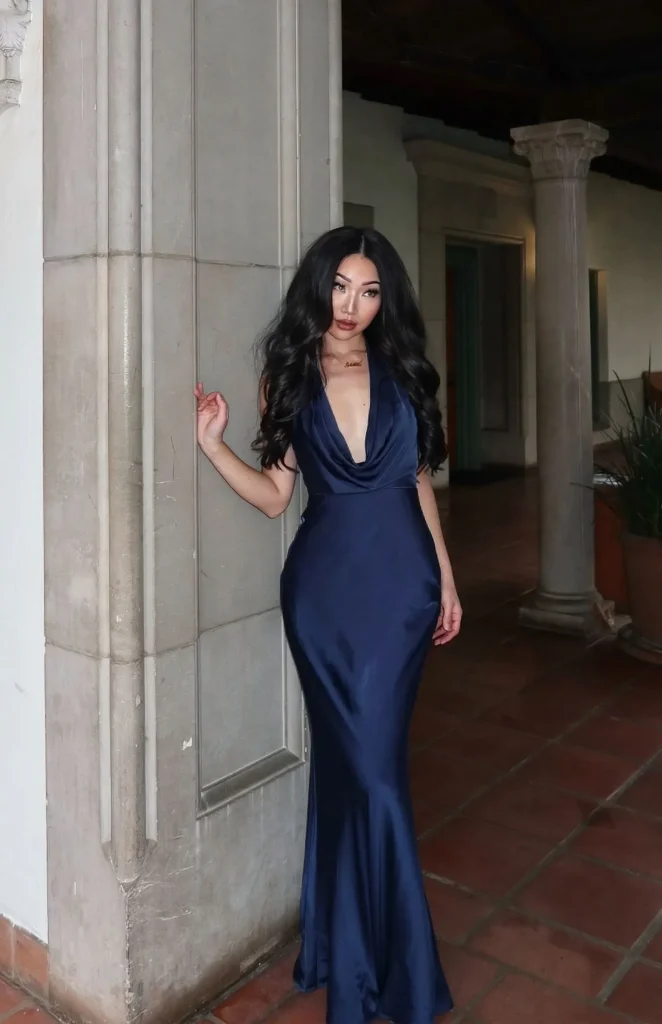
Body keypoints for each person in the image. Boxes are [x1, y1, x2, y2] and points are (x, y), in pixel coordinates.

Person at [194, 227, 462, 1024]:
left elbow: (417, 482)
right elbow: (279, 498)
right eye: (342, 287)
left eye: (370, 291)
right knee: (361, 772)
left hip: (403, 594)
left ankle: (360, 958)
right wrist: (211, 447)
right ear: (321, 286)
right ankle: (367, 964)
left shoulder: (403, 372)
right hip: (323, 599)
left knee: (370, 772)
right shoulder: (289, 374)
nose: (353, 306)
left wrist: (446, 577)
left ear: (387, 299)